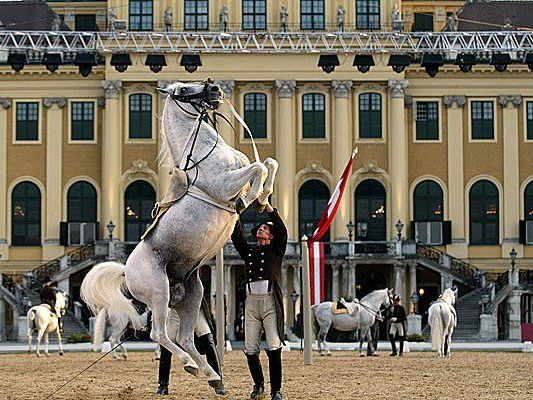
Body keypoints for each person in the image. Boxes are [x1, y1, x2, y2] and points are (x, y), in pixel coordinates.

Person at [231, 202, 287, 400]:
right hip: (251, 303)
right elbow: (237, 238)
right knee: (250, 348)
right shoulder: (249, 252)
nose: (261, 230)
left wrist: (270, 209)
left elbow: (282, 230)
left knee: (273, 346)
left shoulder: (277, 250)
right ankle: (259, 385)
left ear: (271, 236)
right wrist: (235, 213)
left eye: (265, 228)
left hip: (270, 302)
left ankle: (276, 390)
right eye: (260, 228)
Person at [156, 297, 226, 396]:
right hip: (176, 310)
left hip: (196, 309)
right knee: (167, 347)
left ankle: (218, 382)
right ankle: (163, 385)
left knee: (208, 341)